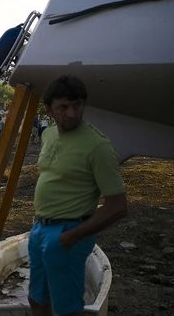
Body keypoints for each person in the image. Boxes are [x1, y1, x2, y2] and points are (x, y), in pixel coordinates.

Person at [28, 75, 128, 316]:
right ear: (50, 110)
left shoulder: (98, 146)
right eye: (63, 107)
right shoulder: (48, 134)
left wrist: (73, 236)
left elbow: (118, 205)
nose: (71, 113)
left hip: (69, 232)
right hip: (40, 228)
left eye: (77, 105)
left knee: (67, 309)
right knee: (36, 299)